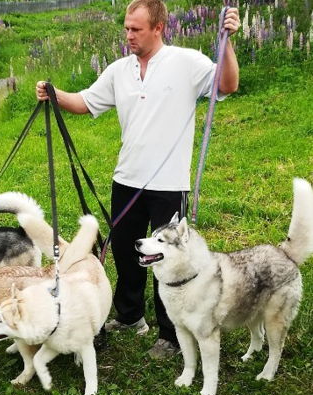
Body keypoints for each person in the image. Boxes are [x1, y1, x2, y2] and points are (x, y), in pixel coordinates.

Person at [35, 0, 240, 359]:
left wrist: (229, 40)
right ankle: (130, 316)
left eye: (136, 29)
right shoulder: (119, 70)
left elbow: (228, 84)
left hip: (169, 184)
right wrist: (54, 94)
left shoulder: (186, 62)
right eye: (127, 28)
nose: (128, 35)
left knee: (169, 260)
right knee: (126, 253)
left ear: (158, 27)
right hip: (126, 179)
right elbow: (85, 102)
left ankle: (172, 334)